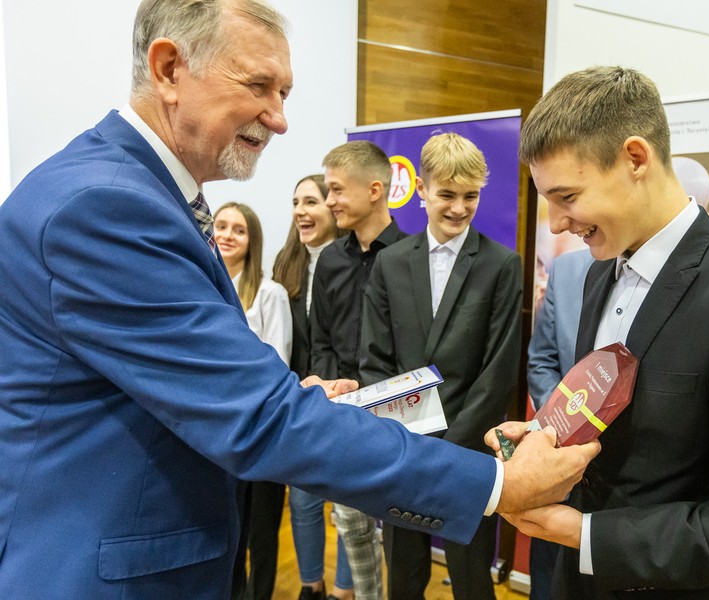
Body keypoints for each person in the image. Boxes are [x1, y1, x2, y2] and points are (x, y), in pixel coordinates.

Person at [0, 2, 600, 598]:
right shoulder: (106, 208)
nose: (281, 119)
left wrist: (296, 399)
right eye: (260, 86)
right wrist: (496, 484)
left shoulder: (130, 194)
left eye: (284, 91)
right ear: (168, 69)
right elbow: (258, 419)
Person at [491, 66, 709, 599]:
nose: (554, 223)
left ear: (635, 158)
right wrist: (545, 436)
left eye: (567, 197)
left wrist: (590, 535)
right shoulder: (600, 271)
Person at [359, 132, 522, 600]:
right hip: (402, 447)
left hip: (467, 451)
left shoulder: (500, 265)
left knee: (472, 578)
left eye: (470, 196)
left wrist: (450, 449)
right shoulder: (390, 263)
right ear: (422, 190)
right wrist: (401, 437)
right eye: (447, 194)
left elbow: (498, 369)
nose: (458, 207)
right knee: (404, 575)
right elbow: (375, 359)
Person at [309, 139, 405, 600]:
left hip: (399, 418)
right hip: (344, 415)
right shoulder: (329, 260)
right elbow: (321, 339)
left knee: (399, 534)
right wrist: (333, 392)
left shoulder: (411, 256)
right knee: (351, 527)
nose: (329, 202)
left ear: (374, 190)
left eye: (335, 191)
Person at [272, 175, 354, 600]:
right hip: (298, 403)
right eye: (296, 202)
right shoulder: (284, 266)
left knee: (347, 503)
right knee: (302, 502)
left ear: (333, 209)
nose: (301, 210)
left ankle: (343, 589)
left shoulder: (349, 263)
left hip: (343, 399)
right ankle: (311, 586)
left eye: (312, 201)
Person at [212, 202, 291, 600]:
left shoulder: (269, 293)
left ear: (252, 241)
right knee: (226, 533)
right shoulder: (202, 288)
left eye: (238, 230)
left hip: (261, 429)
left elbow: (276, 362)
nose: (226, 235)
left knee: (259, 532)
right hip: (216, 434)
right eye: (220, 226)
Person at [524, 248, 593, 600]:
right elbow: (541, 359)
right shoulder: (567, 269)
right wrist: (568, 422)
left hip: (637, 511)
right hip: (561, 471)